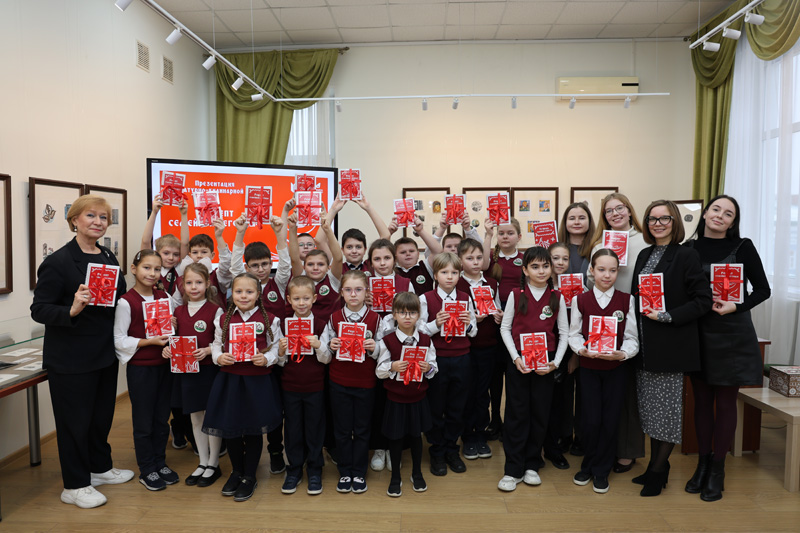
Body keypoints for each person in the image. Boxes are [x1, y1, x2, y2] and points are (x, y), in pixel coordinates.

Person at [31, 194, 134, 509]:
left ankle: (99, 468)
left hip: (103, 352)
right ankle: (74, 485)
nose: (98, 222)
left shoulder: (107, 255)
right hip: (71, 358)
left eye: (103, 217)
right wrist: (72, 309)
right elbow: (39, 309)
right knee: (74, 423)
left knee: (100, 417)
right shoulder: (58, 262)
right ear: (74, 219)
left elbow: (117, 299)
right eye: (91, 216)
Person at [682, 195, 770, 502]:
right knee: (702, 402)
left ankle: (718, 469)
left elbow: (763, 289)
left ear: (733, 222)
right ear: (706, 213)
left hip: (732, 333)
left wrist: (737, 305)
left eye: (728, 213)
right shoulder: (688, 249)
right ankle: (703, 463)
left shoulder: (743, 247)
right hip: (697, 331)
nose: (720, 215)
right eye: (716, 209)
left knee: (726, 403)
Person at [630, 200, 712, 497]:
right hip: (645, 346)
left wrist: (667, 316)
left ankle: (656, 472)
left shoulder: (686, 255)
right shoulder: (644, 254)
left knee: (665, 413)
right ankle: (658, 466)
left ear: (675, 222)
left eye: (664, 219)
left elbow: (703, 300)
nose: (658, 224)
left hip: (670, 346)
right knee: (652, 412)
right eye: (652, 219)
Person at [203, 273, 282, 502]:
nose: (244, 296)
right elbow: (216, 345)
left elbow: (276, 348)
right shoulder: (223, 319)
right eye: (239, 291)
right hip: (231, 380)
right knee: (232, 428)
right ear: (231, 294)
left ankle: (249, 476)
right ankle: (236, 471)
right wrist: (219, 357)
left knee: (253, 429)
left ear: (258, 294)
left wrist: (266, 359)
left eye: (249, 292)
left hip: (257, 381)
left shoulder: (270, 319)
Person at [497, 247, 568, 492]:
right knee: (517, 414)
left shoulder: (557, 297)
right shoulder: (516, 295)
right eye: (535, 267)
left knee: (540, 413)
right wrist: (515, 357)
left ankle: (532, 465)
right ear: (525, 270)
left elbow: (564, 333)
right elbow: (505, 329)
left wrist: (555, 363)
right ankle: (512, 469)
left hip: (546, 363)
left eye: (545, 266)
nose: (541, 271)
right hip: (519, 362)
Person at [569, 249, 639, 494]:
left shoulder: (626, 300)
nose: (607, 275)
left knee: (610, 419)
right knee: (590, 419)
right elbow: (574, 334)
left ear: (618, 272)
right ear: (592, 270)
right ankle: (588, 464)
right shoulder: (581, 300)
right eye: (601, 269)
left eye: (612, 270)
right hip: (589, 368)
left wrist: (623, 354)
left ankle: (601, 470)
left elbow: (632, 337)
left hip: (616, 369)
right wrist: (581, 350)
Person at [589, 193, 648, 474]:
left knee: (628, 391)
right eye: (609, 211)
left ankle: (627, 450)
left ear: (629, 210)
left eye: (619, 208)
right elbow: (590, 280)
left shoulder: (644, 240)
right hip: (603, 320)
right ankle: (600, 450)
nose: (615, 214)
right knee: (605, 393)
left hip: (636, 316)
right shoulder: (599, 244)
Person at [229, 213, 292, 475]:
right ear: (247, 267)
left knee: (275, 406)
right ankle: (247, 453)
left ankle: (276, 451)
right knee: (251, 407)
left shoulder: (278, 282)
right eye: (254, 265)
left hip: (276, 355)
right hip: (248, 360)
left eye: (265, 264)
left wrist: (279, 233)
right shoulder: (243, 285)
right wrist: (240, 233)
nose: (261, 269)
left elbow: (286, 264)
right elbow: (235, 266)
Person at [113, 250, 178, 491]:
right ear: (134, 269)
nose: (152, 273)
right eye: (146, 268)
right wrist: (148, 342)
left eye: (157, 269)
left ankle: (160, 462)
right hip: (141, 369)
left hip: (164, 366)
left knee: (162, 418)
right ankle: (147, 468)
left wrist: (173, 324)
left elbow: (171, 330)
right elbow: (119, 339)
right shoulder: (126, 302)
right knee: (144, 420)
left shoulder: (164, 296)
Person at [319, 270, 388, 493]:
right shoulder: (334, 318)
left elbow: (385, 352)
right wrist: (331, 346)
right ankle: (345, 471)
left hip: (365, 383)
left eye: (358, 289)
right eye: (348, 290)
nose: (353, 294)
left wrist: (374, 348)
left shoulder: (376, 319)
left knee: (361, 429)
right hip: (339, 382)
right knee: (341, 429)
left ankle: (359, 472)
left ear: (366, 292)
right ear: (342, 293)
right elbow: (324, 354)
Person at [162, 263, 224, 487]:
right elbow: (173, 340)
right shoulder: (177, 312)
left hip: (209, 371)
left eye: (198, 282)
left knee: (211, 417)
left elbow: (222, 342)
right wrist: (168, 349)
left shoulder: (215, 310)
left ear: (207, 284)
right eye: (189, 283)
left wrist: (207, 350)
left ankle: (214, 463)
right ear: (183, 285)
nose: (194, 287)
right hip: (187, 372)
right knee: (195, 418)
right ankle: (203, 461)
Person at [418, 253, 477, 476]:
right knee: (436, 405)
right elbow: (420, 330)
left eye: (454, 272)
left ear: (459, 275)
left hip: (462, 358)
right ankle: (437, 450)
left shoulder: (465, 297)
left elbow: (474, 331)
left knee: (457, 405)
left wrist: (468, 324)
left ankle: (452, 448)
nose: (449, 277)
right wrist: (436, 323)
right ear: (435, 275)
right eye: (444, 272)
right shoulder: (426, 298)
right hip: (437, 359)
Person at [375, 292, 438, 497]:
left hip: (418, 398)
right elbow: (379, 371)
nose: (407, 317)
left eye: (412, 313)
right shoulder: (387, 341)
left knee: (416, 437)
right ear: (394, 315)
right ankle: (395, 477)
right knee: (395, 438)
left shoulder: (426, 340)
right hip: (396, 399)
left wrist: (428, 367)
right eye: (402, 313)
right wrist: (392, 366)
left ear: (419, 315)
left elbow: (434, 367)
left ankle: (417, 473)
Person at [363, 238, 414, 473]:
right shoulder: (364, 284)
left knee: (398, 403)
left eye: (387, 258)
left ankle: (396, 448)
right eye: (377, 259)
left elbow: (415, 315)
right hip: (371, 350)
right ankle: (379, 448)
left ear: (394, 260)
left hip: (399, 348)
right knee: (376, 402)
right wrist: (365, 302)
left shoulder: (405, 283)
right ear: (370, 262)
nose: (382, 263)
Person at [278, 275, 328, 495]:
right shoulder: (283, 324)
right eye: (296, 298)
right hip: (290, 386)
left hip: (315, 386)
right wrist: (281, 351)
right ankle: (294, 468)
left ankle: (315, 469)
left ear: (314, 298)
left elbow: (327, 358)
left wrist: (318, 345)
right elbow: (279, 361)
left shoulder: (321, 324)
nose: (301, 303)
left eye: (306, 298)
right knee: (292, 428)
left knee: (315, 428)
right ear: (289, 299)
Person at [456, 238, 500, 461]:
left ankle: (481, 434)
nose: (475, 262)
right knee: (467, 392)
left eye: (479, 258)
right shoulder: (456, 284)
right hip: (465, 348)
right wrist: (473, 318)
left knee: (483, 392)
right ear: (460, 261)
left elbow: (498, 307)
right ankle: (467, 436)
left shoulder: (491, 284)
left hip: (488, 347)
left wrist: (498, 315)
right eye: (469, 258)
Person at [482, 217, 524, 441]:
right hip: (493, 320)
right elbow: (481, 269)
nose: (505, 236)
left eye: (510, 233)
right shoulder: (490, 257)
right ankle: (495, 419)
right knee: (495, 375)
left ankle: (512, 423)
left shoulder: (525, 259)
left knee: (514, 374)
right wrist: (488, 234)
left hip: (518, 321)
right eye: (502, 233)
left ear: (519, 236)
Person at [542, 242, 576, 470]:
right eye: (555, 258)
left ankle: (557, 445)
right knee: (543, 400)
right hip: (543, 349)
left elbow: (579, 325)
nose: (560, 263)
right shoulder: (539, 284)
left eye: (565, 258)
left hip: (567, 350)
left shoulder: (576, 285)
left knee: (562, 401)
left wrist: (575, 357)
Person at [558, 202, 595, 282]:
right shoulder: (554, 248)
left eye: (582, 218)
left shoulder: (598, 247)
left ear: (589, 221)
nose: (577, 222)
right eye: (572, 218)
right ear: (565, 222)